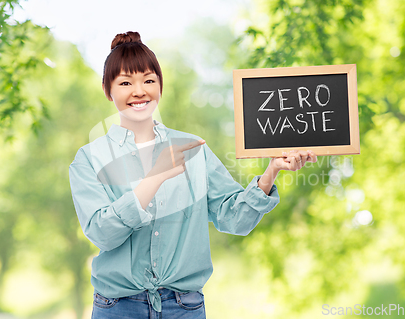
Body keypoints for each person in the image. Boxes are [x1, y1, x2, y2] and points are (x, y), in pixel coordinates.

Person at [69, 31, 317, 319]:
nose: (139, 91)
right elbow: (102, 234)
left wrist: (271, 171)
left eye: (149, 80)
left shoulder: (192, 149)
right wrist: (155, 177)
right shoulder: (90, 158)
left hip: (184, 308)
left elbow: (233, 218)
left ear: (160, 85)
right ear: (107, 89)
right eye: (125, 83)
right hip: (118, 307)